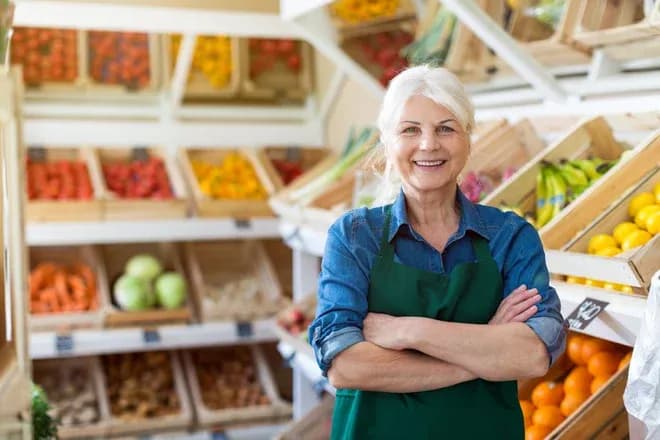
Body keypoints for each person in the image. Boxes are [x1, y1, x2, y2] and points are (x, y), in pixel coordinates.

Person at [308, 65, 567, 439]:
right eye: (410, 130)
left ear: (467, 139)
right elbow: (346, 365)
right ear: (388, 141)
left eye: (446, 128)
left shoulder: (510, 237)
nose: (429, 144)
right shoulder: (354, 236)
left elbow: (531, 355)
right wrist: (485, 349)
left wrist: (408, 331)